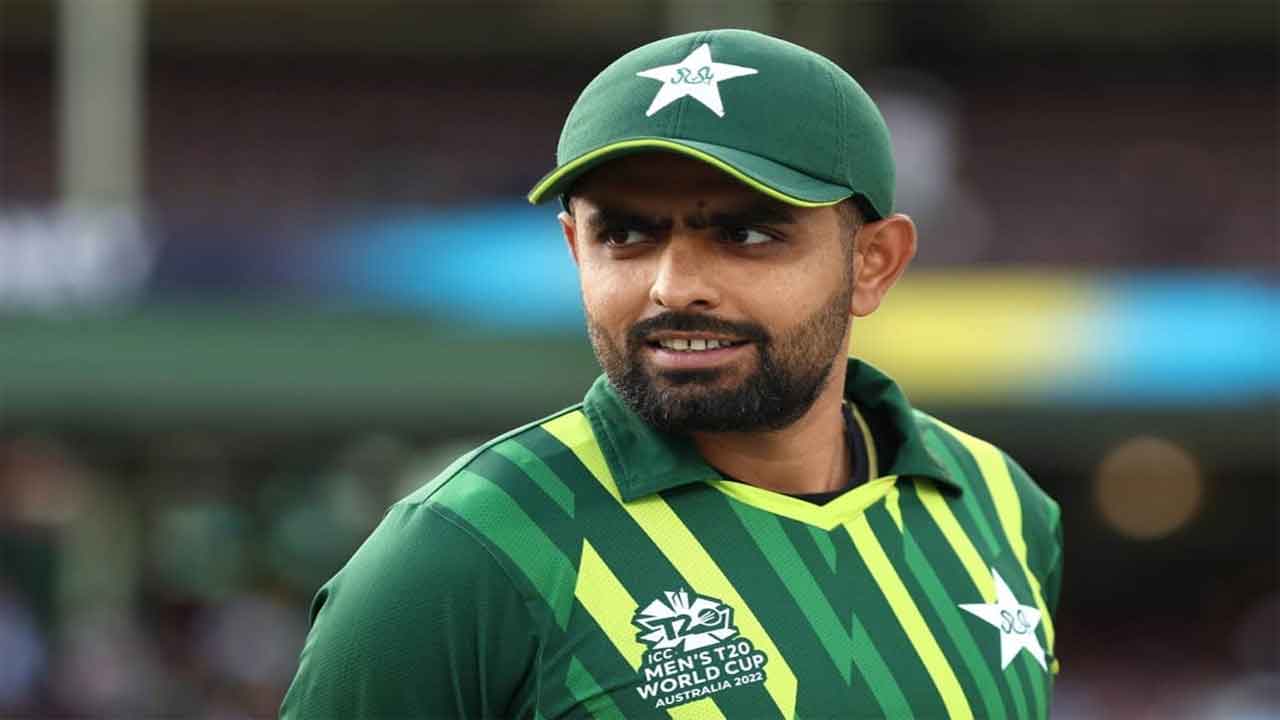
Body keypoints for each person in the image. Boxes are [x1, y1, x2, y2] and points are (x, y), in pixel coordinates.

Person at [281, 28, 1062, 720]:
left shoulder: (1004, 507)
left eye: (745, 235)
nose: (673, 286)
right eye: (624, 235)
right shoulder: (462, 551)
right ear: (575, 251)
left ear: (874, 263)